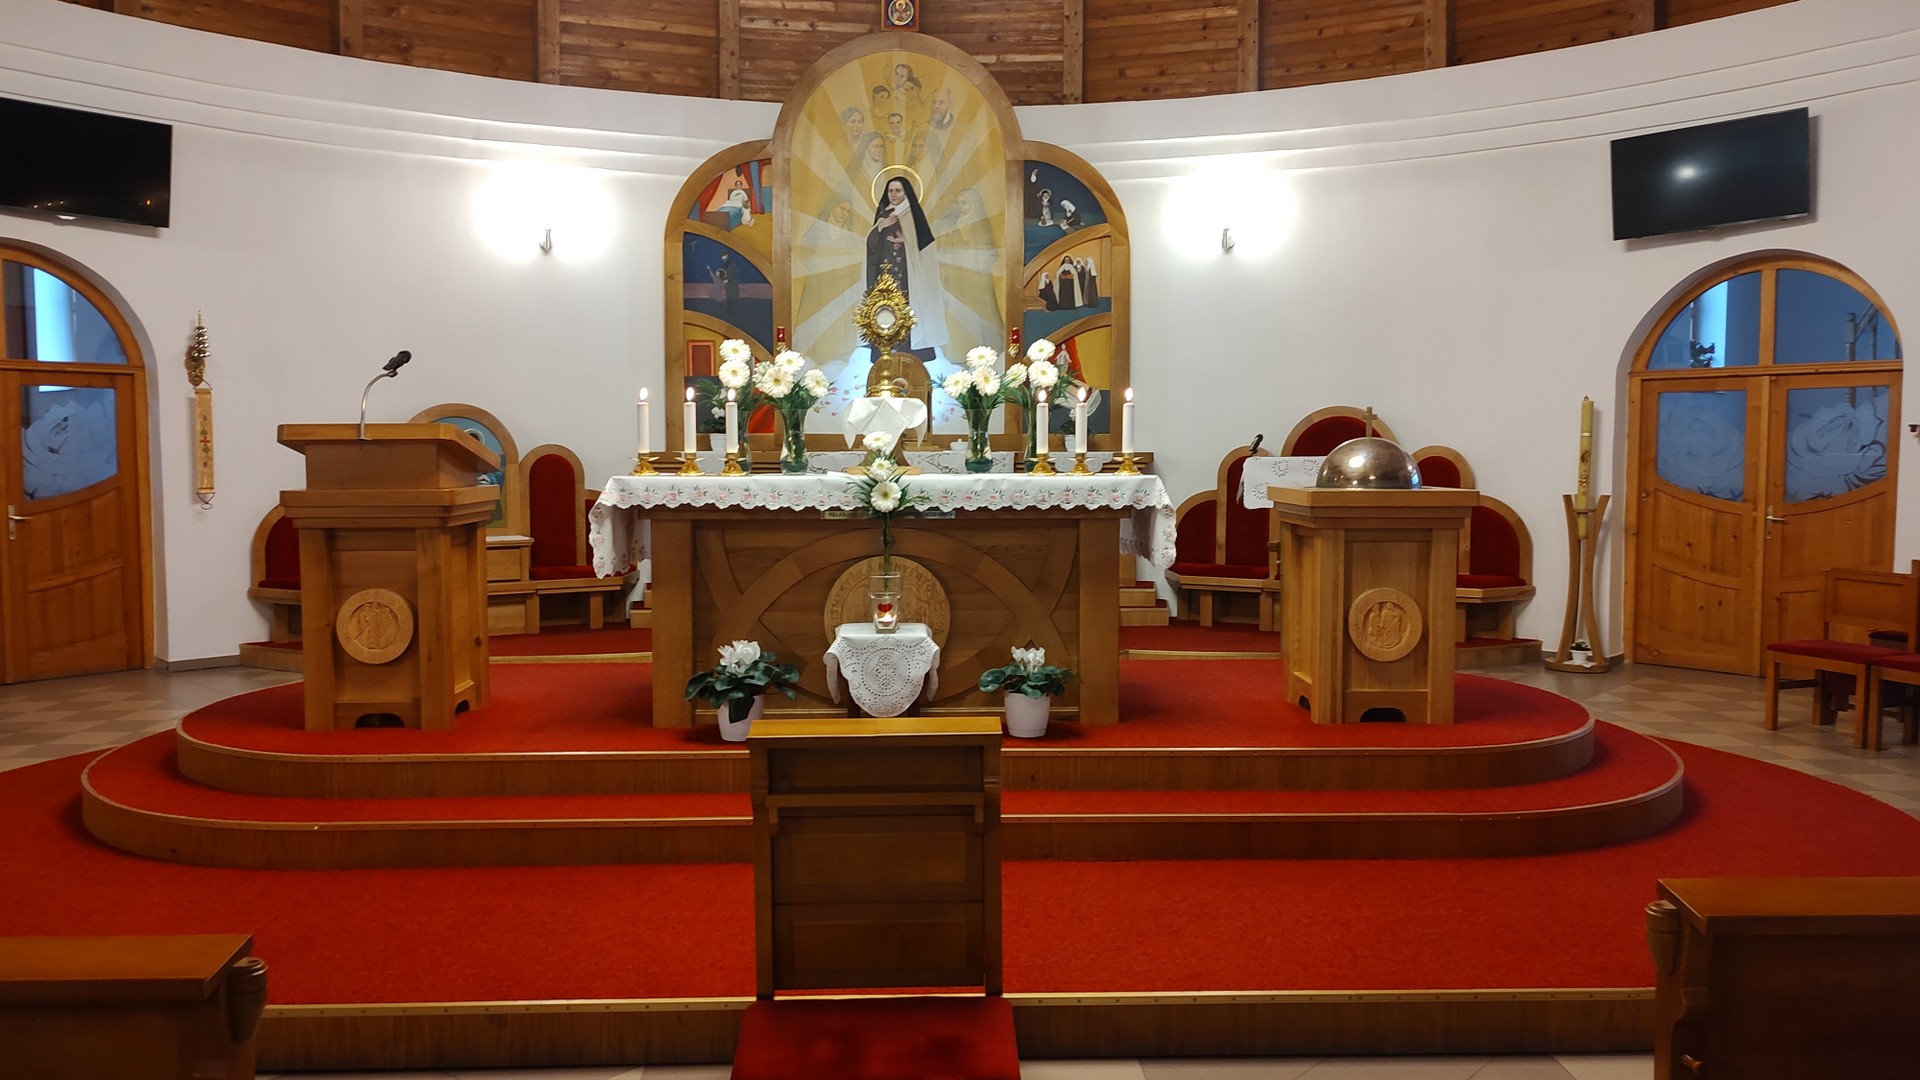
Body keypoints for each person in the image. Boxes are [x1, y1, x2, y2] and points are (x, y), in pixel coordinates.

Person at [867, 174, 948, 350]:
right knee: (885, 308)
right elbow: (871, 246)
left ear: (906, 193)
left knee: (907, 308)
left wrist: (907, 241)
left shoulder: (913, 214)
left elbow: (926, 248)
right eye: (890, 191)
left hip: (908, 274)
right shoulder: (884, 214)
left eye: (898, 190)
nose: (893, 194)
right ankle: (885, 349)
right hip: (885, 274)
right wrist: (880, 227)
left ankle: (910, 349)